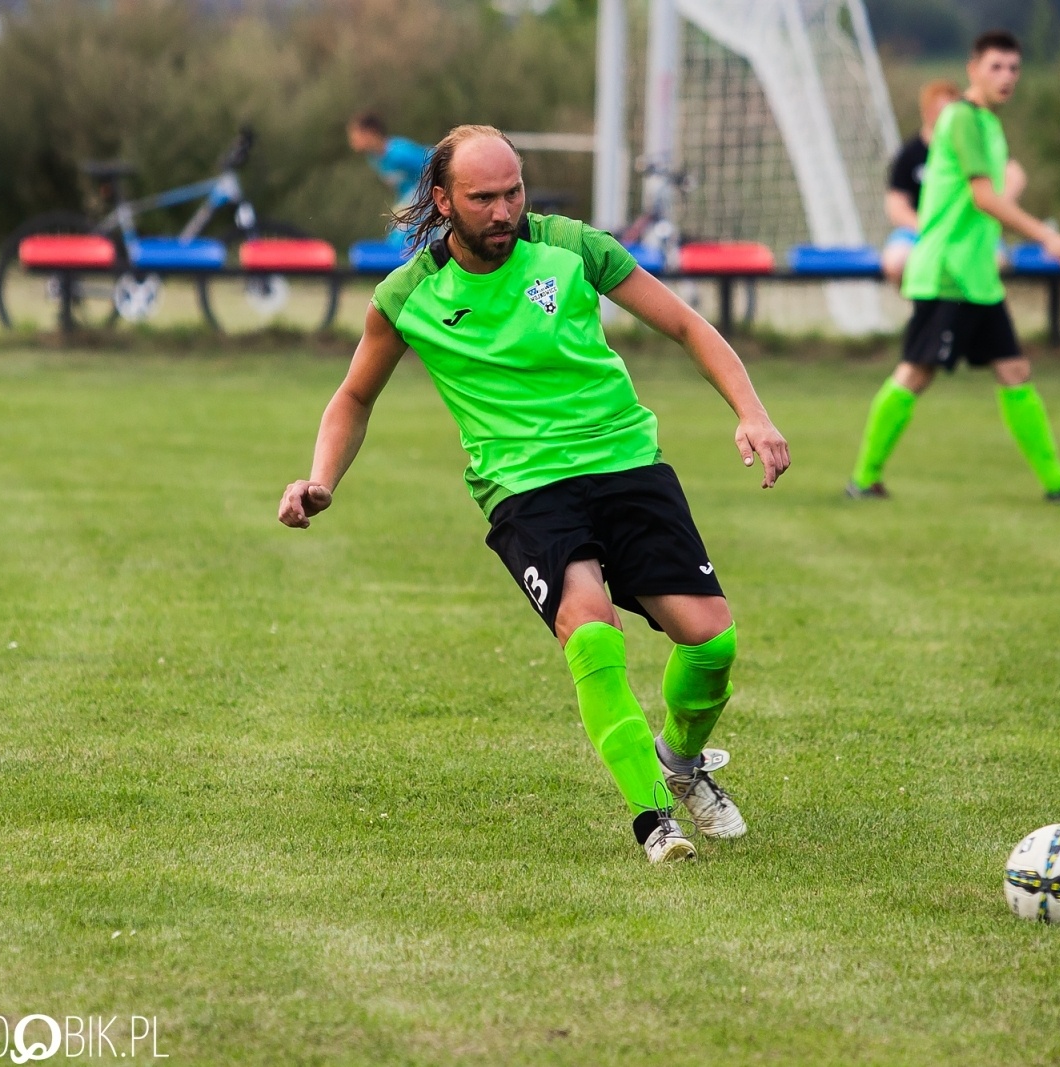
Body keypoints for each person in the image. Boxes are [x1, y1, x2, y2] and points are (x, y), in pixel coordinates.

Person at [279, 125, 791, 863]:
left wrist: (752, 412)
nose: (503, 211)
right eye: (482, 197)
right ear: (442, 200)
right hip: (524, 486)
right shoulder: (408, 296)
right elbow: (353, 397)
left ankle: (679, 761)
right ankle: (653, 818)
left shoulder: (574, 248)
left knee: (713, 643)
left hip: (625, 462)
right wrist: (320, 479)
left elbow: (684, 323)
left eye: (512, 192)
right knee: (590, 631)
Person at [847, 31, 1060, 504]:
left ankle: (1058, 482)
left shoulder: (988, 125)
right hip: (948, 274)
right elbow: (982, 197)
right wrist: (1048, 236)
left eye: (1014, 68)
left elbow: (981, 203)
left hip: (976, 277)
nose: (1007, 76)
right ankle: (864, 478)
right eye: (996, 67)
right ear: (973, 69)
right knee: (915, 373)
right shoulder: (961, 118)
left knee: (1014, 370)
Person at [882, 79, 1027, 287]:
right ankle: (922, 306)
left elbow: (1014, 175)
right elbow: (896, 205)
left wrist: (998, 206)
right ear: (927, 112)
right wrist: (928, 228)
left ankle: (970, 312)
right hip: (925, 232)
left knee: (995, 261)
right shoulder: (909, 154)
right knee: (898, 260)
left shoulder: (974, 145)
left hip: (969, 229)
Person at [347, 111, 433, 247]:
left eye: (355, 134)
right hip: (412, 199)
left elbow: (432, 165)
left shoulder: (398, 153)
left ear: (370, 132)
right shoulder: (375, 159)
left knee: (403, 239)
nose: (352, 140)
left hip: (427, 196)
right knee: (396, 236)